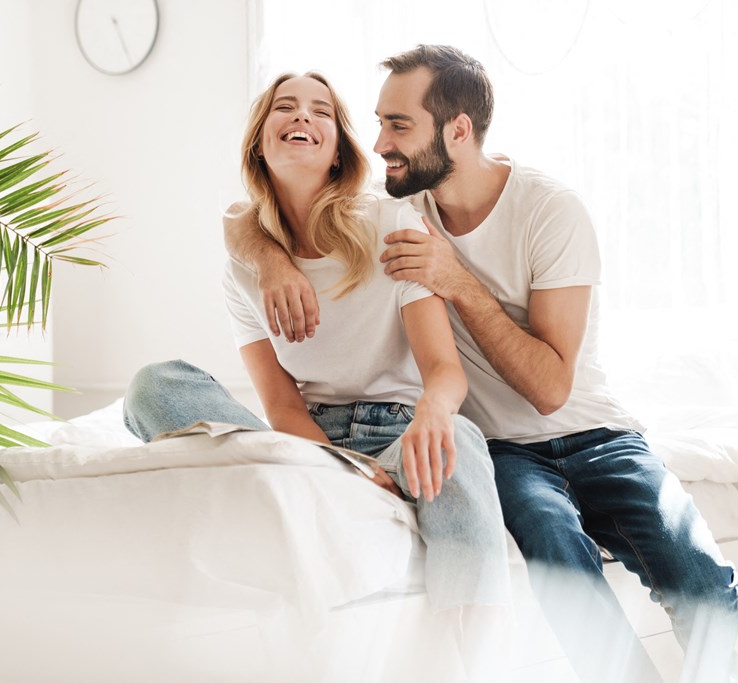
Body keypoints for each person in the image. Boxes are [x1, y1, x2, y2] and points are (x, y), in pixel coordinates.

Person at [224, 46, 738, 683]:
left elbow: (552, 389)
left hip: (598, 436)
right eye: (380, 123)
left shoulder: (548, 211)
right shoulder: (402, 210)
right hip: (500, 450)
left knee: (703, 582)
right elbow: (251, 212)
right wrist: (268, 260)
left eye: (398, 126)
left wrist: (457, 279)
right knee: (559, 556)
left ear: (457, 131)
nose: (380, 140)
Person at [123, 71, 511, 680]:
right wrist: (332, 465)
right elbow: (280, 405)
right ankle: (336, 487)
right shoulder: (245, 269)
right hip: (308, 446)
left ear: (337, 151)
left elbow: (443, 371)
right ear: (260, 141)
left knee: (461, 443)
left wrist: (435, 414)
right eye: (285, 107)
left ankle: (476, 662)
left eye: (320, 112)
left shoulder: (393, 224)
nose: (302, 117)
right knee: (154, 383)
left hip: (398, 441)